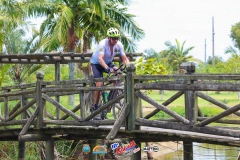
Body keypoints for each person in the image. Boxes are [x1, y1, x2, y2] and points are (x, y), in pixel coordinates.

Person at [90, 27, 130, 120]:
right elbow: (100, 58)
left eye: (117, 38)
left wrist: (129, 67)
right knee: (99, 84)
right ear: (109, 38)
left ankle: (110, 99)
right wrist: (107, 69)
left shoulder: (119, 45)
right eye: (113, 38)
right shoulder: (102, 44)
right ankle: (95, 106)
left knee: (118, 73)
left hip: (108, 62)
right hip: (97, 64)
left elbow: (124, 58)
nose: (115, 40)